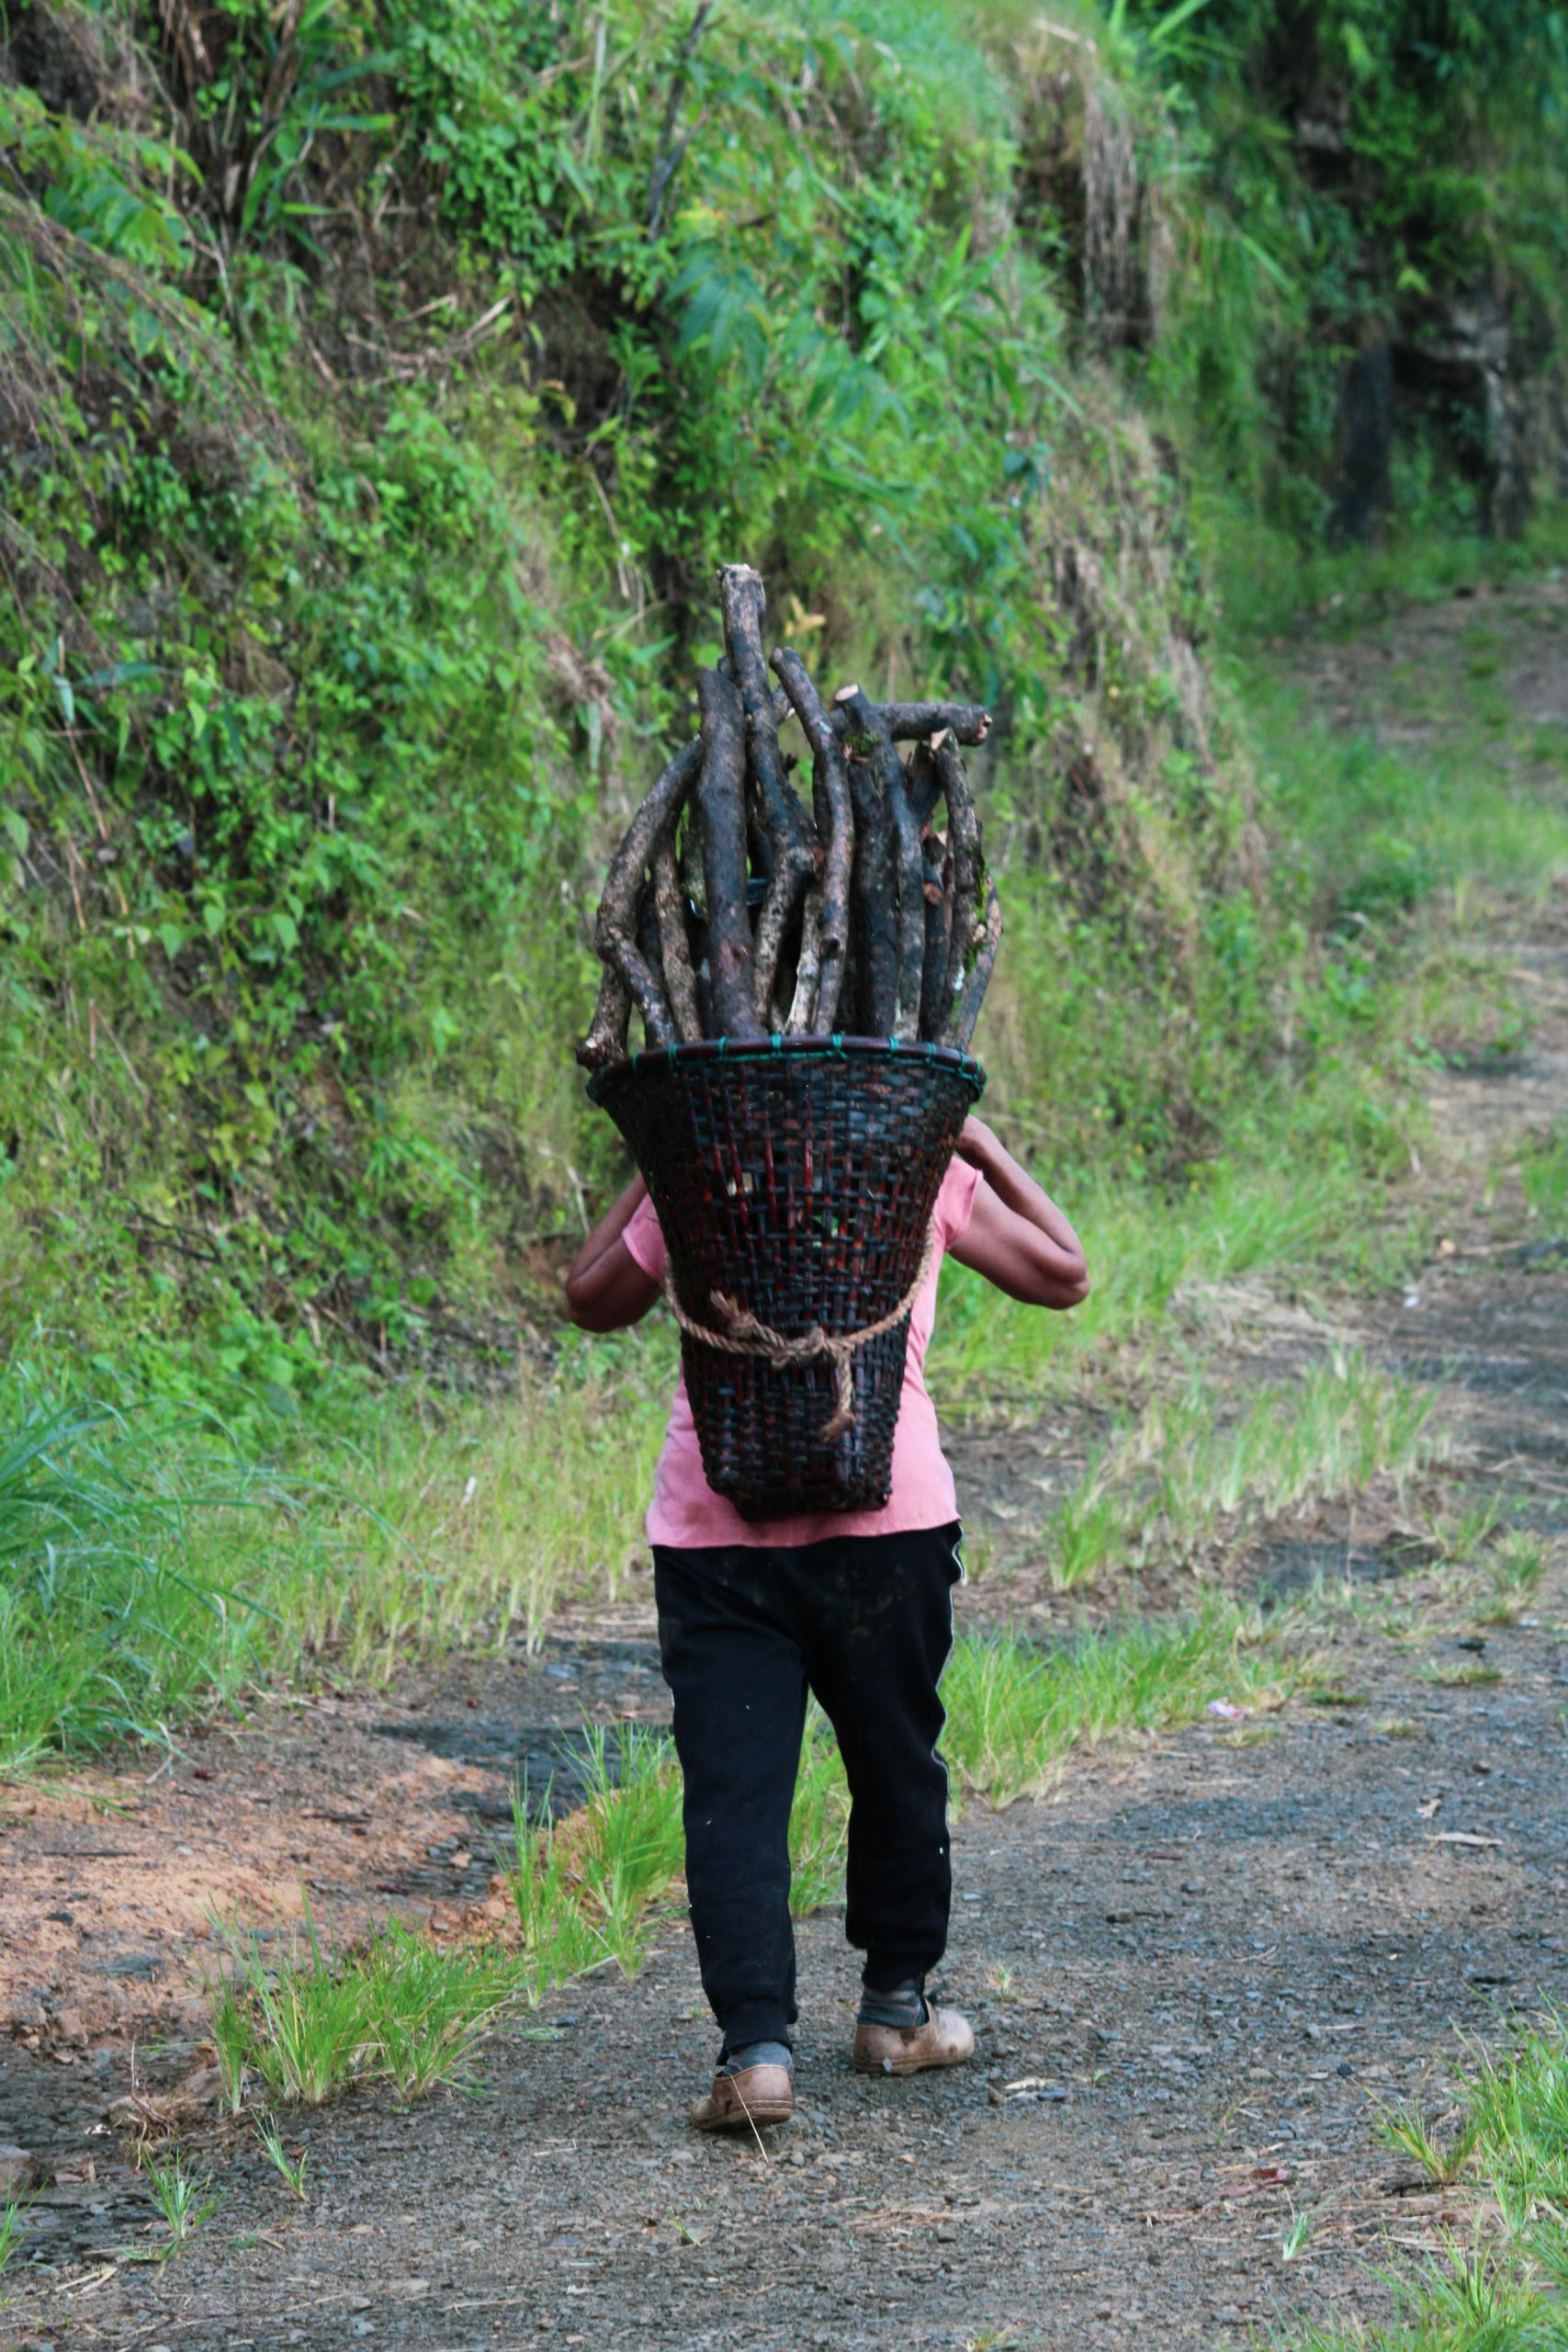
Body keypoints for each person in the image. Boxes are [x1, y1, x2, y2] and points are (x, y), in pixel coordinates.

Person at [564, 1114, 1089, 2132]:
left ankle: (756, 2057)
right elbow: (1064, 1271)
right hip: (886, 1520)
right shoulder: (910, 1159)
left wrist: (659, 1146)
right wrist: (975, 1137)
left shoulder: (708, 1160)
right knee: (897, 1762)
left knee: (734, 1791)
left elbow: (589, 1298)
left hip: (715, 1531)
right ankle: (896, 2013)